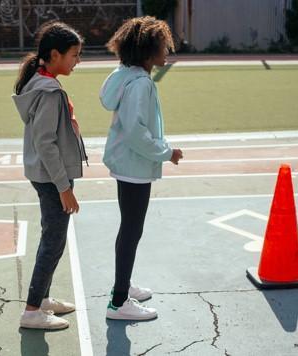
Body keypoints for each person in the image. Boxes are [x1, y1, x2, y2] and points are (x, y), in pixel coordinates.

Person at [99, 16, 183, 321]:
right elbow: (137, 132)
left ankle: (123, 285)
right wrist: (167, 152)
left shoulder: (126, 76)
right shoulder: (141, 83)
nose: (167, 51)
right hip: (133, 165)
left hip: (127, 164)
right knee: (132, 230)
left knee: (130, 228)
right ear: (147, 51)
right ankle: (119, 302)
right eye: (163, 46)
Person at [12, 21, 87, 330]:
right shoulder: (49, 90)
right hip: (51, 177)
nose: (78, 61)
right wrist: (63, 187)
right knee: (53, 242)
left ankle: (42, 300)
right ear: (54, 55)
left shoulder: (41, 82)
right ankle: (32, 311)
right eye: (74, 54)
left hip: (45, 174)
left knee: (52, 239)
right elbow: (46, 142)